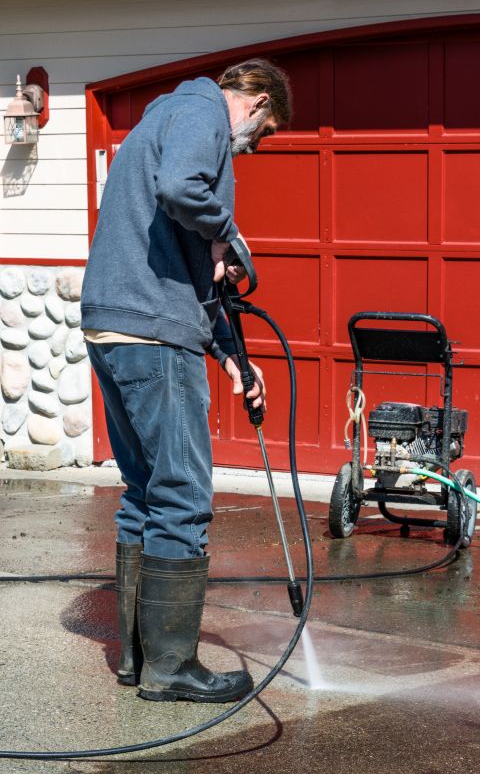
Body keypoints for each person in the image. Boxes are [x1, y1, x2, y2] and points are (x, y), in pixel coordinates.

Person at [80, 58, 292, 703]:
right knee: (181, 496)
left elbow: (186, 262)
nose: (251, 149)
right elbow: (182, 190)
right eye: (262, 134)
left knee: (145, 493)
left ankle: (139, 660)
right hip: (154, 339)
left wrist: (233, 355)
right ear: (254, 102)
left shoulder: (161, 118)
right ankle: (173, 671)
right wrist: (229, 232)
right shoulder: (202, 109)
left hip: (114, 327)